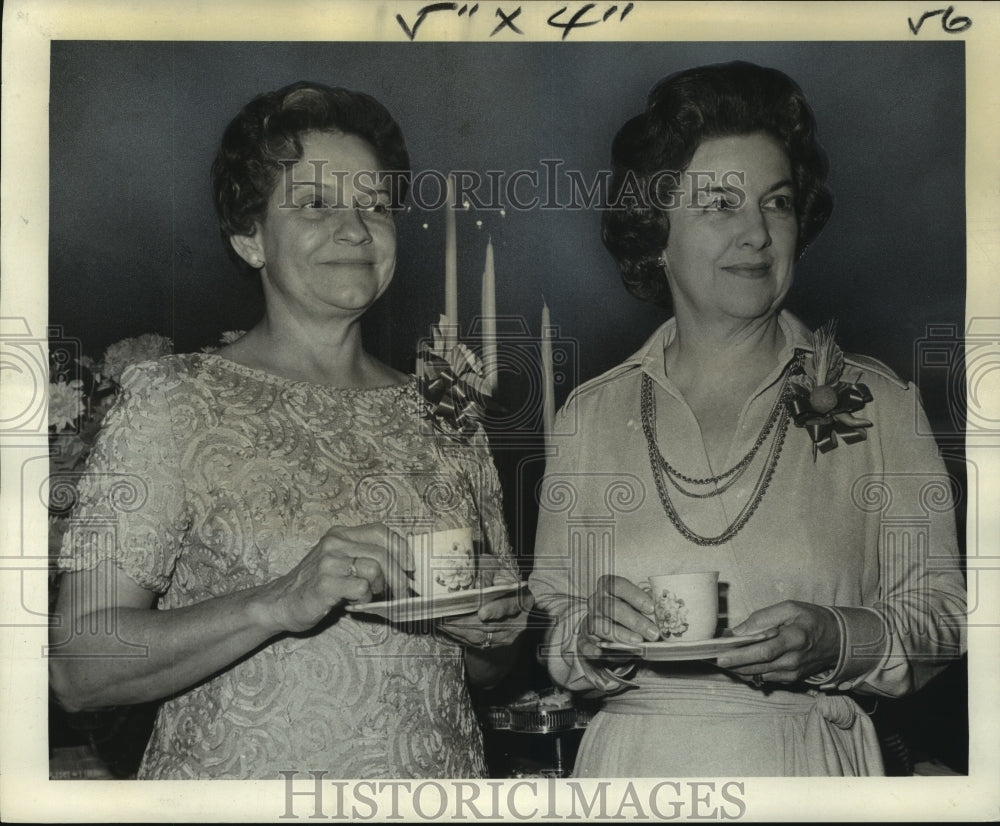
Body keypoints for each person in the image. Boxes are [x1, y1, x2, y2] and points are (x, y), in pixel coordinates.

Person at [50, 81, 530, 779]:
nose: (357, 229)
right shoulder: (176, 400)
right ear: (250, 238)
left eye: (374, 205)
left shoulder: (445, 410)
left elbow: (487, 669)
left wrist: (490, 633)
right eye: (315, 204)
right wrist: (275, 602)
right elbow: (76, 666)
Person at [528, 61, 966, 776]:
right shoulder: (591, 415)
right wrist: (586, 629)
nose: (758, 234)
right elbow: (547, 609)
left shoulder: (882, 404)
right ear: (656, 230)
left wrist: (838, 638)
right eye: (720, 204)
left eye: (778, 202)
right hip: (631, 769)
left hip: (808, 764)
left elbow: (946, 618)